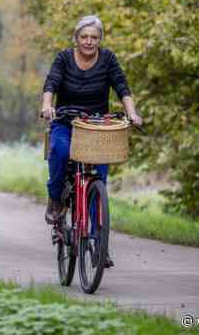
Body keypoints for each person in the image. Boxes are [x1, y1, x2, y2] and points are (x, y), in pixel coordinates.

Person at [41, 15, 142, 266]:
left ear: (100, 40)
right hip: (66, 121)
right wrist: (46, 106)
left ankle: (99, 243)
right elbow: (51, 83)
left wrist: (132, 113)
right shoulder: (64, 58)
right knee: (61, 152)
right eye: (84, 37)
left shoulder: (107, 59)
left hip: (98, 126)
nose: (89, 42)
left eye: (94, 38)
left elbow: (121, 86)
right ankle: (55, 200)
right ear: (76, 39)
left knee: (99, 180)